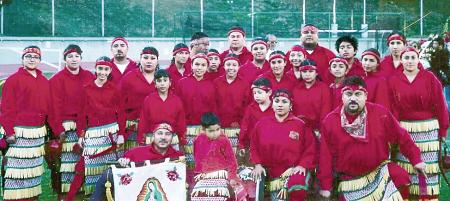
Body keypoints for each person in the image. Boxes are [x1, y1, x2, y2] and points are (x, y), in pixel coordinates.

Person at [318, 76, 425, 200]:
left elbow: (402, 136)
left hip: (379, 172)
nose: (353, 98)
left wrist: (416, 159)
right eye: (348, 94)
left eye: (358, 94)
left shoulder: (380, 113)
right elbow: (325, 156)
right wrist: (326, 187)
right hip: (349, 180)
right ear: (342, 96)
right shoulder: (330, 121)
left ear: (366, 96)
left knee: (399, 175)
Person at [388, 47, 449, 200]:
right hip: (404, 130)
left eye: (412, 58)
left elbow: (441, 106)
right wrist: (394, 132)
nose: (409, 61)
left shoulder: (429, 78)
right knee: (405, 166)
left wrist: (443, 131)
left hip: (429, 130)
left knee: (428, 168)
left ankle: (427, 197)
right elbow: (393, 108)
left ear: (418, 59)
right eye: (406, 58)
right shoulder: (394, 80)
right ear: (401, 60)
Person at [1, 46, 51, 201]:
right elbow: (6, 108)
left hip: (37, 134)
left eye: (35, 57)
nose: (31, 59)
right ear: (22, 59)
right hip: (18, 133)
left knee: (33, 173)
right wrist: (9, 132)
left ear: (39, 60)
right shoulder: (13, 80)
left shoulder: (44, 81)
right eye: (28, 56)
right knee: (16, 173)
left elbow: (48, 107)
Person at [89, 123, 184, 201]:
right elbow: (121, 166)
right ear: (153, 136)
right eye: (159, 133)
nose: (163, 137)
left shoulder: (178, 157)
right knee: (108, 173)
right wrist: (122, 162)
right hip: (136, 192)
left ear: (172, 137)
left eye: (167, 134)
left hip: (164, 193)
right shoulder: (136, 152)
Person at [250, 89, 316, 201]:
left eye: (284, 102)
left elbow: (310, 148)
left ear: (290, 105)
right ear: (272, 103)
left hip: (291, 170)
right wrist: (257, 164)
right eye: (277, 101)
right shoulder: (262, 124)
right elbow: (254, 145)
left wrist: (302, 165)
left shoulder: (300, 125)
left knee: (298, 183)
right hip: (268, 171)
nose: (280, 105)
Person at [49, 44, 94, 198]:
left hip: (87, 126)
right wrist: (58, 129)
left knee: (87, 162)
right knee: (68, 165)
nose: (74, 59)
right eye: (70, 56)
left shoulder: (89, 76)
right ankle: (68, 195)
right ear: (65, 59)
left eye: (76, 56)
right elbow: (54, 106)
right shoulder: (57, 79)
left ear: (81, 58)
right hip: (67, 127)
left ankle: (85, 193)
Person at [76, 56, 125, 195]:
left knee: (112, 169)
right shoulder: (86, 89)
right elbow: (81, 115)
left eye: (106, 69)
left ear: (110, 71)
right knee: (93, 169)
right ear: (95, 69)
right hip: (93, 134)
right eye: (100, 69)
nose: (103, 72)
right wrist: (81, 135)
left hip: (112, 132)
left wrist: (121, 134)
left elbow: (121, 113)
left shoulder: (114, 89)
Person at [175, 54, 216, 175]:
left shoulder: (210, 84)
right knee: (188, 160)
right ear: (191, 65)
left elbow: (213, 108)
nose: (199, 67)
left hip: (203, 129)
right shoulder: (182, 83)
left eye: (203, 65)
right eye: (197, 64)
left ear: (207, 67)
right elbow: (178, 106)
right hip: (186, 128)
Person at [191, 112, 247, 200]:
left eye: (218, 129)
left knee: (238, 194)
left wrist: (232, 177)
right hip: (205, 175)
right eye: (211, 131)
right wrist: (199, 175)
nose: (215, 133)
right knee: (198, 194)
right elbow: (197, 159)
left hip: (223, 173)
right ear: (203, 129)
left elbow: (232, 161)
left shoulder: (223, 140)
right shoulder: (198, 140)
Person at [119, 46, 159, 150]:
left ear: (157, 60)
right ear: (140, 59)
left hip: (157, 128)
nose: (149, 61)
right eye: (145, 58)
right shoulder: (129, 78)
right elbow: (120, 105)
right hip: (133, 128)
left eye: (152, 58)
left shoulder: (163, 79)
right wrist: (121, 133)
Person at [137, 69, 186, 150]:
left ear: (170, 83)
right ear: (155, 84)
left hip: (172, 139)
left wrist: (182, 139)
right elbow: (143, 121)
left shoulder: (176, 100)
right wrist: (141, 140)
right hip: (153, 138)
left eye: (165, 80)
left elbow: (181, 121)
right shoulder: (149, 100)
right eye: (159, 81)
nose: (162, 84)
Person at [213, 54, 250, 154]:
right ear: (224, 66)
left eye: (234, 65)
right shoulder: (216, 82)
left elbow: (246, 105)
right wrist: (216, 122)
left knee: (234, 154)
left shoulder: (245, 84)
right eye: (228, 64)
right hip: (219, 126)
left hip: (236, 126)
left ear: (239, 67)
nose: (231, 68)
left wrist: (239, 121)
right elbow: (213, 103)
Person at [292, 59, 332, 132]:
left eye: (311, 71)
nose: (307, 74)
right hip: (298, 128)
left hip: (317, 129)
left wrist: (321, 130)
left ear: (316, 73)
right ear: (300, 73)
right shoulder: (296, 89)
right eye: (304, 72)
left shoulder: (324, 88)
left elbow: (325, 110)